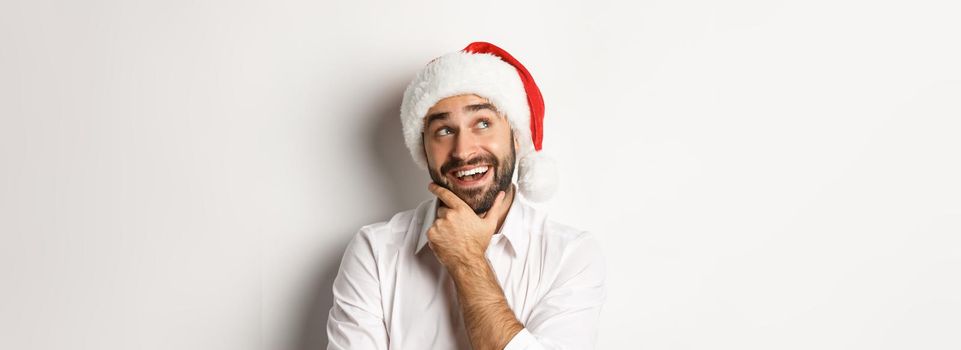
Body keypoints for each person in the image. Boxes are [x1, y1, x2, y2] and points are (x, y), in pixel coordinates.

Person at [326, 42, 605, 350]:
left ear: (515, 134)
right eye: (444, 130)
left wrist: (467, 259)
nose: (463, 150)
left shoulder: (570, 255)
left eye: (483, 123)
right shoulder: (376, 252)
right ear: (424, 148)